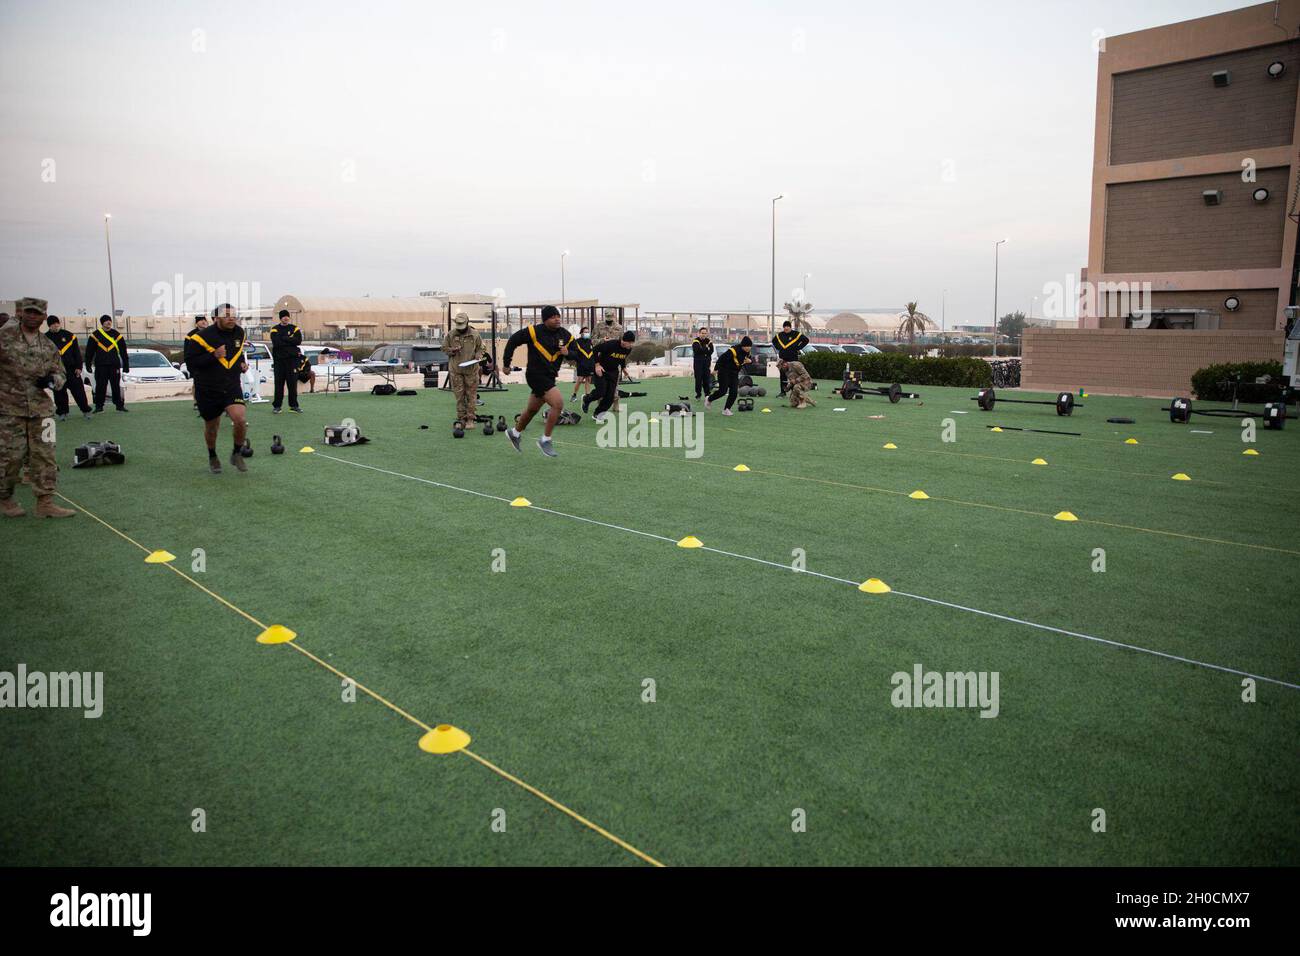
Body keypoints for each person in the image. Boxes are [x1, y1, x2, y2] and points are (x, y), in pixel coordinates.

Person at [0, 297, 75, 518]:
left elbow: (61, 374)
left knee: (46, 455)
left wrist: (52, 381)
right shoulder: (5, 338)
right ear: (21, 313)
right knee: (10, 457)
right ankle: (5, 498)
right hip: (8, 409)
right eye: (29, 312)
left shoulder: (49, 346)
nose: (33, 316)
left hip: (42, 410)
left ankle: (45, 502)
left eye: (37, 313)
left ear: (44, 316)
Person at [184, 303, 250, 475]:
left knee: (240, 420)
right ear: (216, 318)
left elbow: (238, 351)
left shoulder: (239, 332)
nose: (231, 318)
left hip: (231, 386)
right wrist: (213, 356)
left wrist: (241, 362)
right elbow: (191, 363)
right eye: (227, 315)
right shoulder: (201, 337)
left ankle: (236, 453)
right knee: (212, 428)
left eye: (233, 314)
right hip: (208, 389)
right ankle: (212, 456)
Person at [502, 304, 572, 457]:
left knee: (532, 410)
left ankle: (515, 433)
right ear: (545, 319)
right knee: (558, 403)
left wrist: (568, 353)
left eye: (558, 316)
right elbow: (513, 340)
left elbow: (576, 354)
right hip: (535, 374)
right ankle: (545, 440)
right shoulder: (533, 331)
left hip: (550, 376)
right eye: (553, 317)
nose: (557, 319)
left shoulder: (565, 334)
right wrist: (506, 363)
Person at [44, 316, 92, 421]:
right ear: (49, 325)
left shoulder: (69, 336)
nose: (56, 325)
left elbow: (77, 353)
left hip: (71, 369)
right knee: (59, 393)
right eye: (53, 324)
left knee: (79, 392)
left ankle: (86, 410)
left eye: (57, 323)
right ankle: (62, 413)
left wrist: (79, 367)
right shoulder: (44, 338)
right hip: (56, 371)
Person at [582, 331, 635, 422]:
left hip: (613, 372)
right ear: (623, 340)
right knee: (601, 392)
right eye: (629, 342)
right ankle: (587, 399)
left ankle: (598, 414)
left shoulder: (628, 349)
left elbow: (622, 358)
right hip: (601, 370)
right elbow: (595, 350)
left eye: (632, 343)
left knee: (610, 396)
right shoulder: (611, 344)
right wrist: (597, 365)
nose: (630, 345)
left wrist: (623, 368)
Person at [444, 312, 483, 427]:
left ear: (467, 322)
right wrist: (452, 350)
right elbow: (444, 348)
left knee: (471, 395)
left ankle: (470, 419)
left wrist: (478, 354)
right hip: (456, 370)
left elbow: (481, 347)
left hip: (471, 370)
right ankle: (461, 419)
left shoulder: (475, 335)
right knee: (459, 395)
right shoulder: (451, 335)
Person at [85, 313, 129, 412]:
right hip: (101, 365)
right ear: (102, 323)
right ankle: (99, 406)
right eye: (106, 321)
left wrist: (126, 365)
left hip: (114, 365)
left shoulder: (116, 334)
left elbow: (123, 351)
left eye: (110, 320)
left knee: (116, 386)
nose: (108, 322)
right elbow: (89, 351)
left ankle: (119, 406)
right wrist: (88, 364)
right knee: (100, 386)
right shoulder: (95, 335)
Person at [707, 336, 755, 416]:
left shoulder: (748, 352)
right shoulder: (733, 351)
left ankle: (726, 409)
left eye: (750, 346)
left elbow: (749, 360)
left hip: (734, 373)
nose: (748, 348)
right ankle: (709, 399)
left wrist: (750, 361)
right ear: (742, 345)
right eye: (746, 346)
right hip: (724, 371)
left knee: (734, 392)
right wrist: (715, 370)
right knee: (723, 391)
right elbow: (721, 359)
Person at [268, 309, 304, 414]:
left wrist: (283, 338)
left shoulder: (295, 328)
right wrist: (289, 340)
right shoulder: (274, 329)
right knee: (279, 385)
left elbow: (298, 341)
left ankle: (293, 406)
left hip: (292, 361)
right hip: (279, 362)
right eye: (283, 316)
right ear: (280, 318)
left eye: (287, 316)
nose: (286, 318)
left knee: (292, 384)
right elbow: (276, 343)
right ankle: (277, 406)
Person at [772, 321, 809, 396]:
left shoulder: (796, 334)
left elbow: (806, 340)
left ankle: (794, 392)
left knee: (794, 376)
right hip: (783, 359)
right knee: (783, 375)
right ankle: (783, 392)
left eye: (787, 326)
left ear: (790, 327)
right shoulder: (780, 335)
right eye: (784, 326)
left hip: (793, 359)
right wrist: (779, 348)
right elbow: (774, 341)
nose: (786, 328)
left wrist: (798, 347)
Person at [569, 326, 595, 403]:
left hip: (590, 364)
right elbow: (573, 352)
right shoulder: (577, 342)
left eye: (588, 332)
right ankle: (574, 395)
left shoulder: (591, 341)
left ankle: (587, 396)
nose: (587, 333)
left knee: (588, 379)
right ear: (581, 333)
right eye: (585, 332)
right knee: (580, 380)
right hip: (581, 363)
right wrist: (577, 360)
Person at [691, 326, 714, 399]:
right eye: (702, 333)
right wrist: (706, 349)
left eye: (705, 333)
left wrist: (705, 350)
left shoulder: (708, 341)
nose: (704, 334)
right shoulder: (695, 341)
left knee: (706, 379)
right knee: (698, 379)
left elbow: (711, 350)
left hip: (706, 363)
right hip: (698, 363)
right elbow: (697, 351)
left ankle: (707, 394)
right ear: (699, 333)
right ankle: (698, 394)